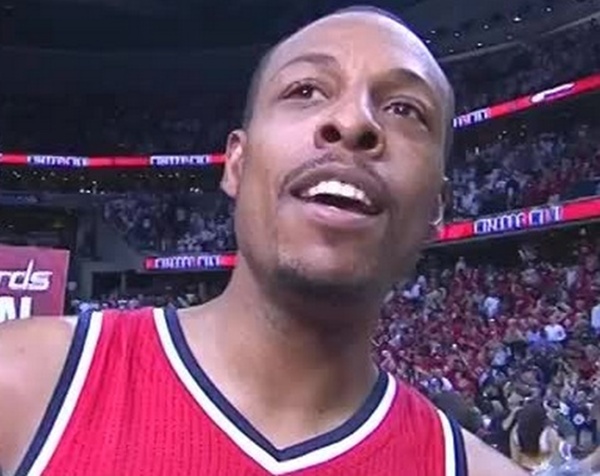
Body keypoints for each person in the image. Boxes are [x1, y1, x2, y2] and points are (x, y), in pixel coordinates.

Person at [0, 6, 527, 476]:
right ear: (236, 162)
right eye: (306, 90)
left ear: (437, 206)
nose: (352, 122)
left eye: (405, 109)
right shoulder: (25, 384)